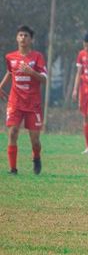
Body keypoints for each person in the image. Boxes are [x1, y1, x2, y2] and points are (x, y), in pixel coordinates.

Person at [0, 25, 47, 175]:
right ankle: (13, 169)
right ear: (16, 38)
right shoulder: (10, 57)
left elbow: (44, 79)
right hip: (15, 102)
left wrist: (31, 72)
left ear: (31, 39)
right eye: (20, 35)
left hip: (33, 103)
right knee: (13, 132)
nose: (23, 38)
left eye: (26, 36)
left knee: (35, 140)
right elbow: (10, 72)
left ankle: (37, 157)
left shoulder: (37, 57)